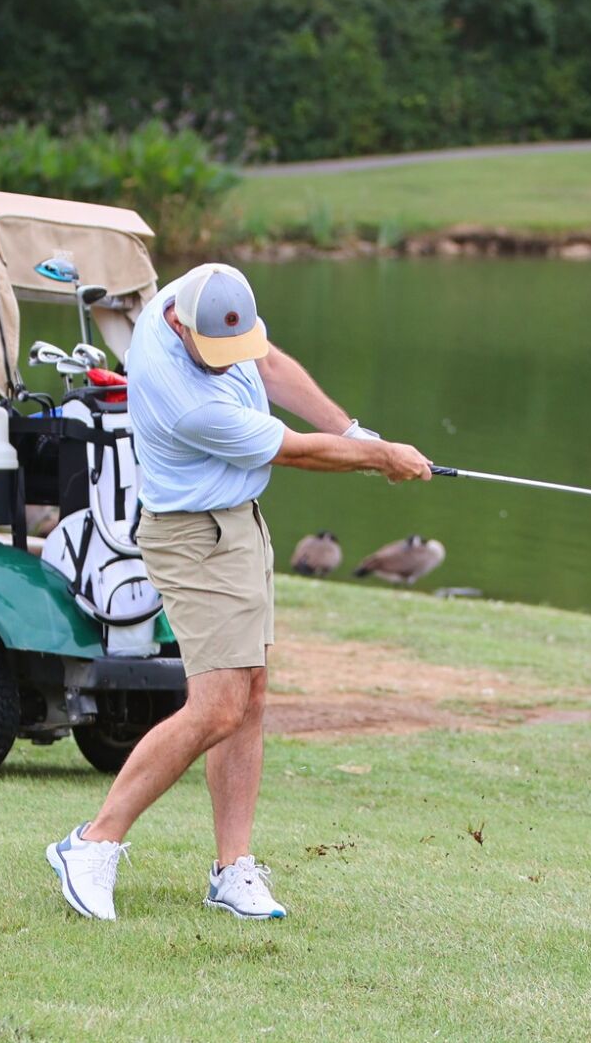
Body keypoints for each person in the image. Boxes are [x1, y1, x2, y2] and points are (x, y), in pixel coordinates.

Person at [47, 263, 432, 920]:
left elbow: (271, 363)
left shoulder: (201, 290)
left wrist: (353, 430)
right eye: (216, 355)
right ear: (175, 323)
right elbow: (294, 452)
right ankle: (92, 839)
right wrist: (380, 456)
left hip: (238, 524)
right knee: (218, 706)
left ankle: (231, 867)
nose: (231, 365)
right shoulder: (183, 393)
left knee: (250, 695)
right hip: (192, 537)